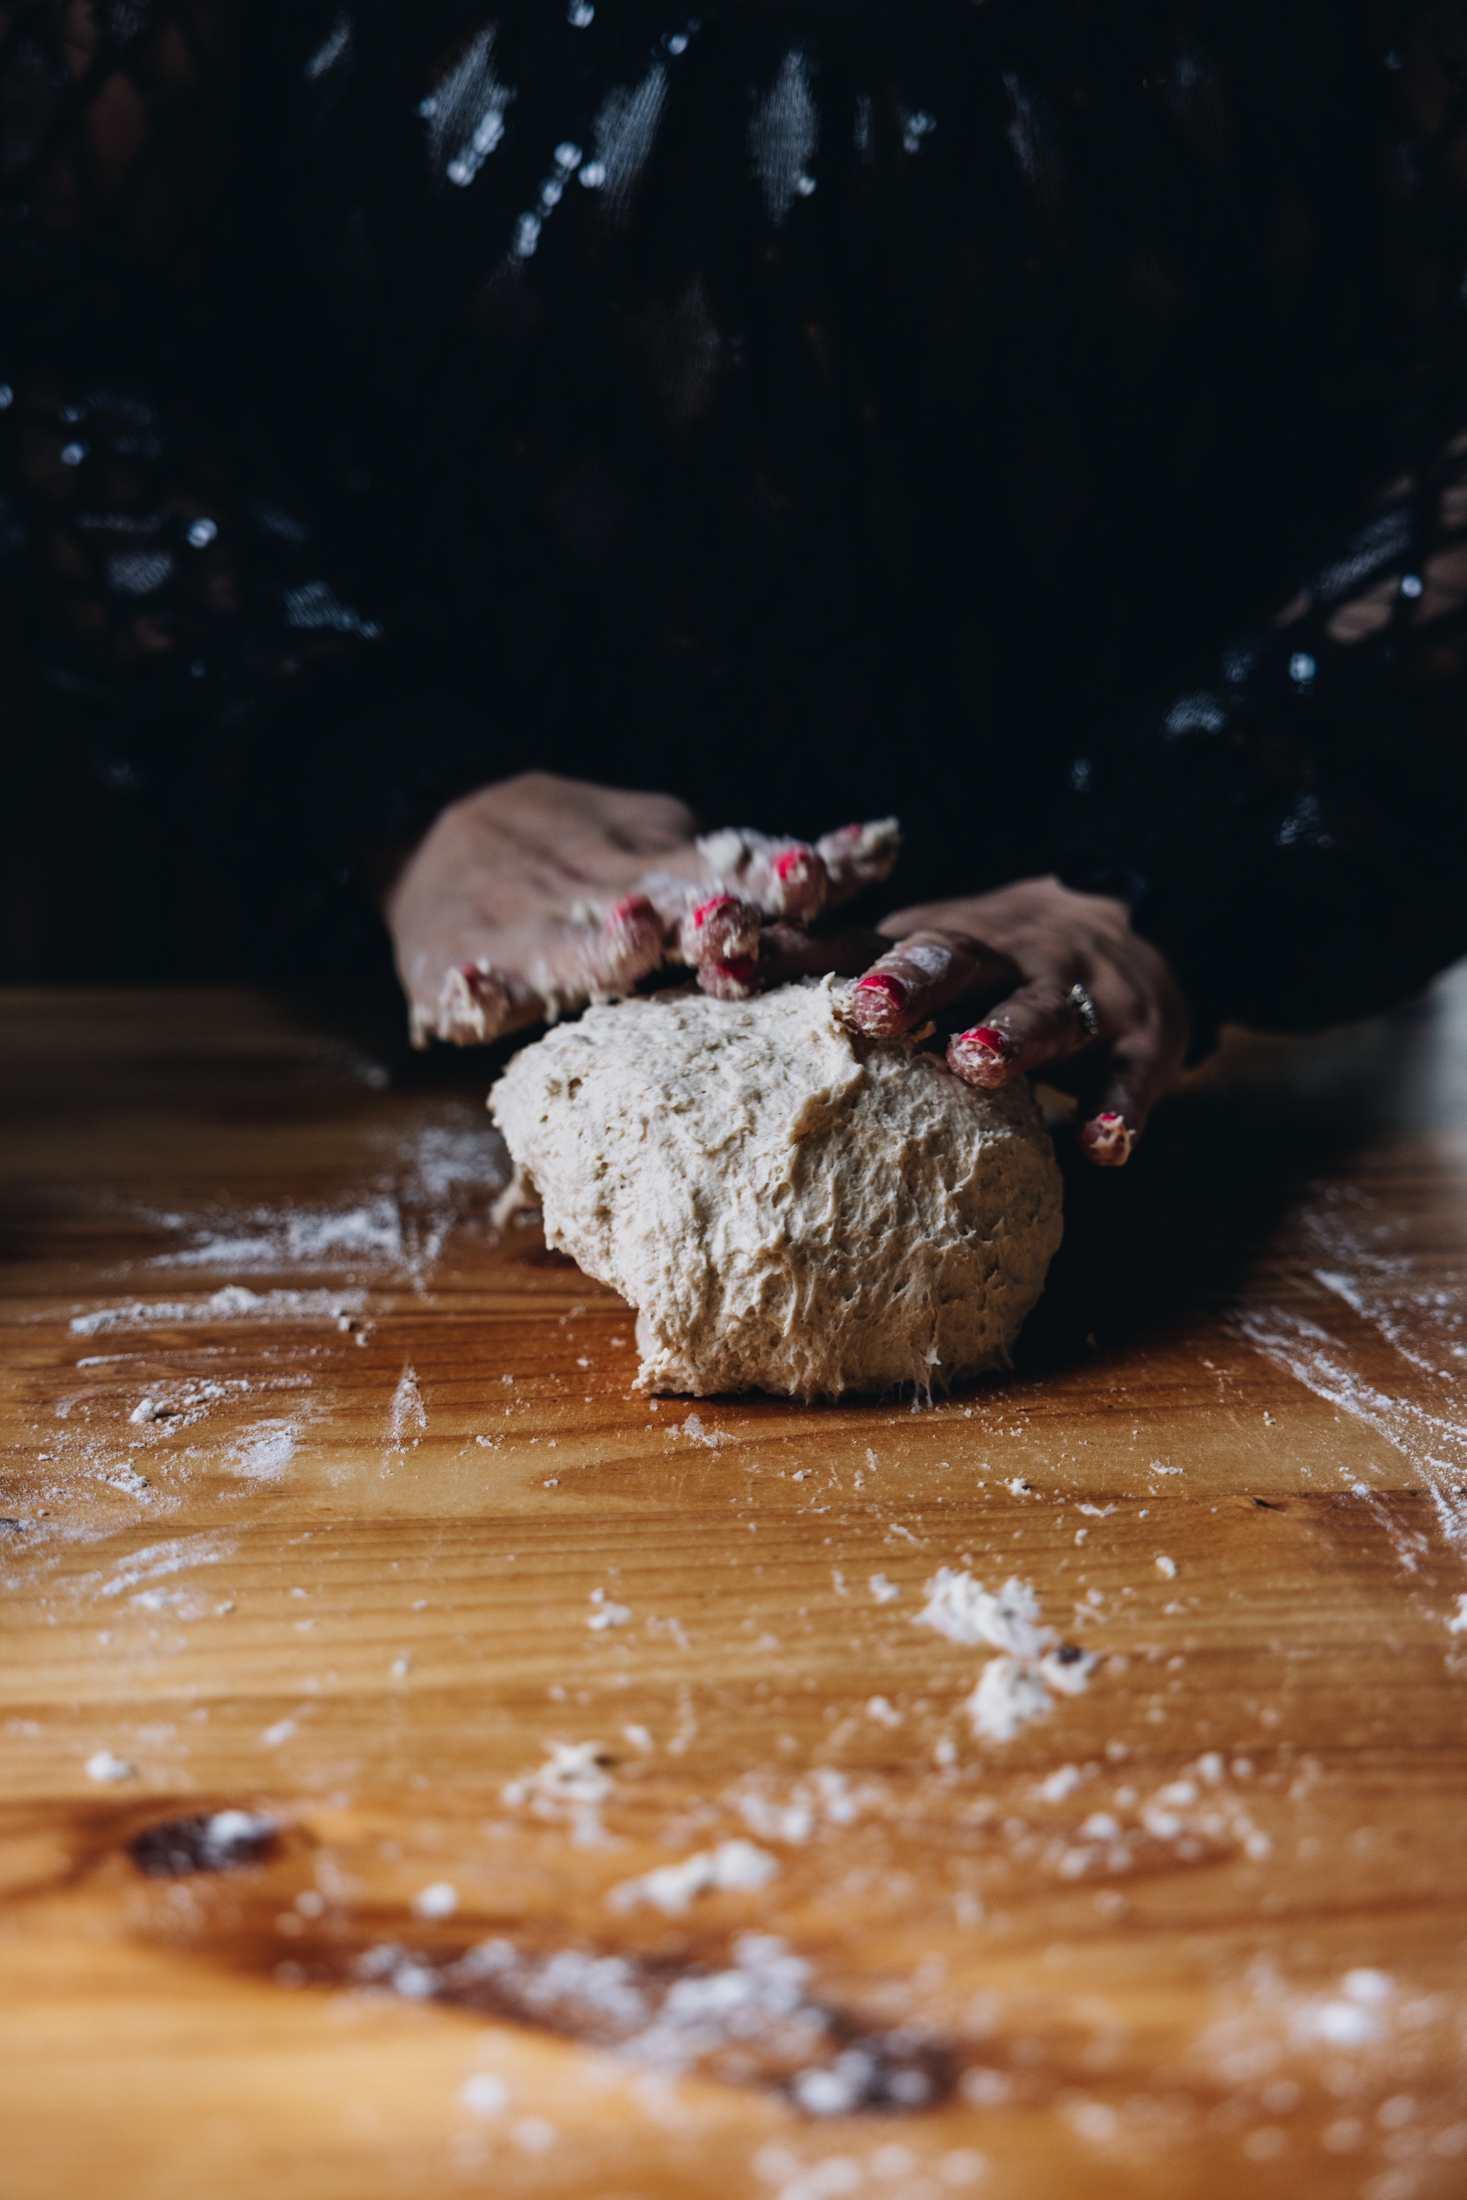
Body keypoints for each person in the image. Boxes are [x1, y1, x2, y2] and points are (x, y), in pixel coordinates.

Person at [5, 1, 1467, 1166]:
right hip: (326, 1036)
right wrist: (373, 763)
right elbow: (47, 349)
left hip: (1160, 1056)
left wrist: (1192, 856)